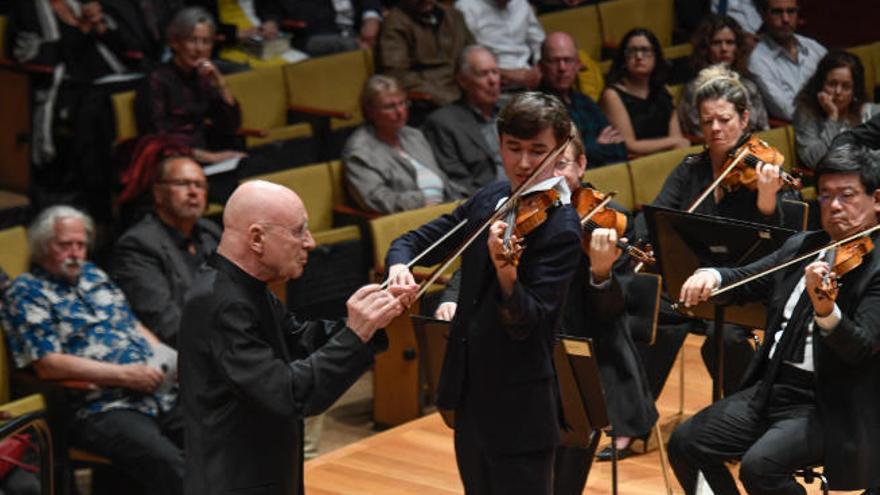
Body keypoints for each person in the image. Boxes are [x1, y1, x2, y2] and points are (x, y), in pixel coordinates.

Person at [433, 134, 658, 492]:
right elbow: (474, 264)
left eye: (562, 164)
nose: (551, 175)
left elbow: (614, 313)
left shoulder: (611, 222)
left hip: (575, 362)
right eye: (545, 163)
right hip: (511, 354)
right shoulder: (516, 208)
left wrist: (601, 273)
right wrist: (454, 296)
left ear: (582, 165)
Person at [386, 92, 583, 494]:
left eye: (538, 151)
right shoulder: (490, 199)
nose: (524, 163)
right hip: (471, 395)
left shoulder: (562, 228)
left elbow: (530, 322)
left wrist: (507, 273)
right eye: (514, 149)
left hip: (520, 408)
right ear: (500, 144)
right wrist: (399, 265)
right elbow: (420, 239)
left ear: (561, 148)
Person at [179, 180, 416, 494]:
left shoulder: (244, 288)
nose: (310, 242)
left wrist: (369, 319)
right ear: (256, 238)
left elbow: (301, 340)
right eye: (298, 231)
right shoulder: (222, 304)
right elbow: (289, 395)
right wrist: (355, 335)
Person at [669, 144, 880, 494]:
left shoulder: (876, 267)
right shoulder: (803, 246)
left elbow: (861, 348)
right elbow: (748, 277)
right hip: (772, 389)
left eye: (847, 195)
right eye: (825, 197)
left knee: (759, 468)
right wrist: (713, 276)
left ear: (876, 199)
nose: (835, 207)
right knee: (686, 443)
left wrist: (826, 311)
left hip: (829, 403)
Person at [0, 206, 183, 495]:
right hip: (100, 406)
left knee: (219, 427)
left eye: (81, 244)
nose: (75, 252)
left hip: (154, 389)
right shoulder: (27, 291)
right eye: (65, 245)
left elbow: (134, 326)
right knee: (171, 465)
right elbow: (48, 363)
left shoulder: (93, 274)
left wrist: (171, 360)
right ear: (43, 246)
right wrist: (124, 376)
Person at [636, 65, 787, 398]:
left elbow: (783, 244)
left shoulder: (764, 170)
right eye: (707, 121)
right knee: (648, 315)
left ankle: (743, 417)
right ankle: (636, 422)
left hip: (744, 284)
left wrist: (766, 202)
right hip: (693, 283)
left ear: (744, 119)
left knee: (728, 338)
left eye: (724, 119)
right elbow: (657, 215)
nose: (715, 129)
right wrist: (645, 242)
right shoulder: (691, 168)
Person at [111, 156, 221, 348]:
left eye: (200, 185)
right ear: (158, 193)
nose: (193, 192)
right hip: (186, 353)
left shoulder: (210, 232)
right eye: (183, 184)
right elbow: (164, 322)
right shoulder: (138, 244)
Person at [134, 7, 246, 167]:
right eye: (192, 40)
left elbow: (230, 126)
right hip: (171, 160)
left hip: (206, 152)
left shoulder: (204, 77)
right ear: (175, 42)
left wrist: (220, 83)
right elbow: (156, 138)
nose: (199, 49)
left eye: (206, 41)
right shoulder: (156, 79)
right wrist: (210, 157)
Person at [343, 75, 459, 213]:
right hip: (411, 221)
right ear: (370, 111)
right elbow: (378, 199)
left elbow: (442, 179)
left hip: (446, 210)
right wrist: (424, 199)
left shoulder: (414, 136)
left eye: (403, 103)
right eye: (390, 107)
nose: (400, 112)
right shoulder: (360, 152)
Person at [421, 45, 503, 198]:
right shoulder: (443, 123)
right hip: (488, 204)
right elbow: (458, 183)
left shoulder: (512, 110)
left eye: (495, 72)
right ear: (463, 81)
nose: (492, 80)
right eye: (483, 74)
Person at [539, 32, 627, 167]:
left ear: (578, 65)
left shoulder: (585, 102)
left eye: (568, 60)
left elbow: (618, 146)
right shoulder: (536, 109)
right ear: (541, 66)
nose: (562, 68)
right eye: (554, 61)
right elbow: (559, 163)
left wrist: (589, 149)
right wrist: (597, 146)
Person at [599, 28, 690, 157]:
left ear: (656, 56)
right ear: (624, 58)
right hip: (635, 164)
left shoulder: (663, 91)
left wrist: (675, 143)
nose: (639, 57)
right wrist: (673, 143)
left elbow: (676, 138)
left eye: (645, 50)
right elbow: (629, 144)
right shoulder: (612, 95)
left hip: (668, 157)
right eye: (632, 51)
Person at [678, 14, 769, 138]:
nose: (724, 48)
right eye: (716, 43)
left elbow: (764, 128)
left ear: (737, 48)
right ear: (705, 48)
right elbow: (701, 133)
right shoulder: (694, 90)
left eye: (730, 42)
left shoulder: (749, 86)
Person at [377, 0, 475, 109]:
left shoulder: (454, 15)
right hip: (431, 99)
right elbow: (395, 73)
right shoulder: (396, 22)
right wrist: (443, 95)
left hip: (466, 89)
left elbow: (473, 54)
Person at [793, 50, 880, 169]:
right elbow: (816, 161)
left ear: (854, 91)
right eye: (832, 84)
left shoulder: (868, 112)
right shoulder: (807, 113)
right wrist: (833, 118)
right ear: (821, 84)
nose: (838, 92)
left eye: (846, 86)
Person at [747, 0, 827, 121]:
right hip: (798, 131)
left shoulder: (813, 47)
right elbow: (788, 112)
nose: (785, 19)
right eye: (777, 12)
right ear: (763, 15)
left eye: (791, 11)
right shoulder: (757, 60)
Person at [454, 0, 545, 91]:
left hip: (529, 81)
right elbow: (463, 59)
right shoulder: (466, 7)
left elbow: (540, 43)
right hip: (490, 84)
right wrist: (503, 73)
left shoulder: (521, 4)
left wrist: (538, 70)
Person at [278, 0, 382, 56]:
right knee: (348, 45)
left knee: (388, 34)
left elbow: (370, 4)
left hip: (355, 31)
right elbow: (303, 21)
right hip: (312, 36)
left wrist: (371, 19)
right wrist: (356, 40)